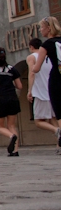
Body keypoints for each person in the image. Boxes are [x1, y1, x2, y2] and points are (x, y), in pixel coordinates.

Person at [32, 16, 61, 154]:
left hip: (56, 80)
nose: (40, 30)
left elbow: (36, 68)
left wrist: (32, 68)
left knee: (59, 112)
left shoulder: (46, 45)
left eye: (41, 27)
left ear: (49, 28)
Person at [27, 36, 60, 149]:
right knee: (54, 118)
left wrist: (29, 90)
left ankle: (57, 131)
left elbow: (32, 73)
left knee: (38, 121)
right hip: (51, 89)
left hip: (40, 92)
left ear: (31, 47)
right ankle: (59, 145)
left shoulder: (32, 57)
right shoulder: (48, 55)